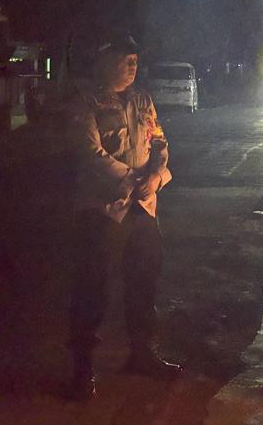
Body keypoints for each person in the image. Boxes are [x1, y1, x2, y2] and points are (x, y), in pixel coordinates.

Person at [64, 33, 181, 401]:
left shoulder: (142, 100)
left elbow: (159, 142)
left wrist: (157, 176)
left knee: (144, 282)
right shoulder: (86, 101)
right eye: (124, 59)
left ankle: (142, 354)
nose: (132, 66)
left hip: (143, 208)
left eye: (135, 60)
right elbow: (90, 152)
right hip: (103, 210)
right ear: (104, 61)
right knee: (92, 287)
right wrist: (134, 180)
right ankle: (82, 368)